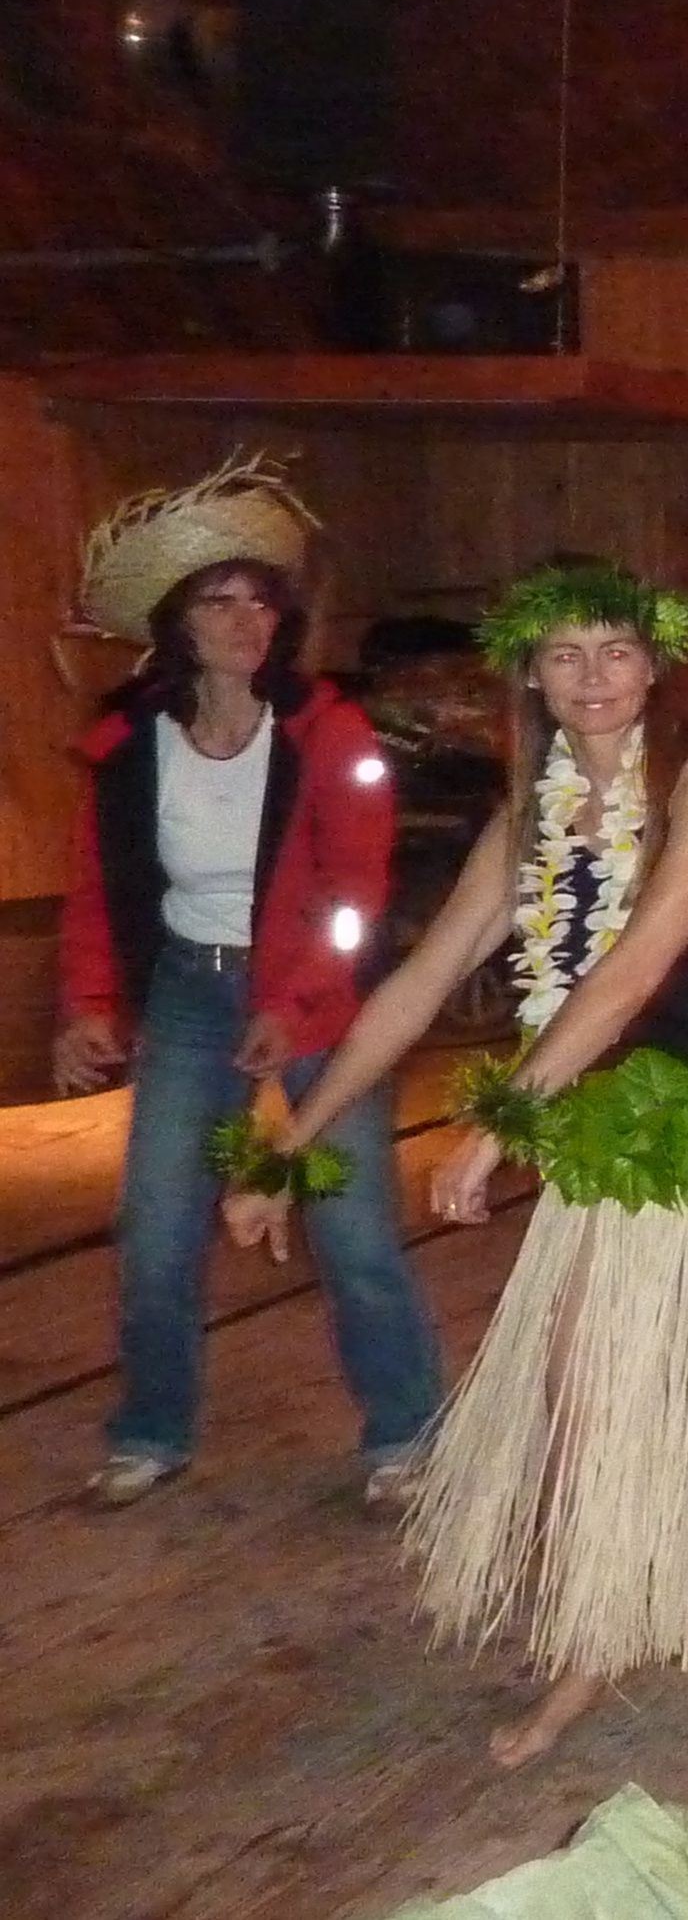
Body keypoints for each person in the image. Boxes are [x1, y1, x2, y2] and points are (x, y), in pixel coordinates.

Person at [251, 559, 688, 1788]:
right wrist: (284, 1145)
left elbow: (633, 968)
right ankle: (607, 1633)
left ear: (655, 663)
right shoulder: (530, 820)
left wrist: (501, 1121)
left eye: (615, 650)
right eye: (564, 655)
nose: (593, 677)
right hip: (625, 1131)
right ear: (530, 674)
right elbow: (416, 983)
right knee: (584, 1402)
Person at [53, 456, 441, 1512]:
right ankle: (151, 1430)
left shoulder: (330, 732)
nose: (244, 621)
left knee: (351, 1224)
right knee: (157, 1224)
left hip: (321, 999)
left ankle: (406, 1434)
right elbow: (99, 889)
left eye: (260, 602)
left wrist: (292, 1002)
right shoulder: (129, 743)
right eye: (219, 602)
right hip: (189, 990)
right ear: (177, 623)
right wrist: (88, 1005)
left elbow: (357, 892)